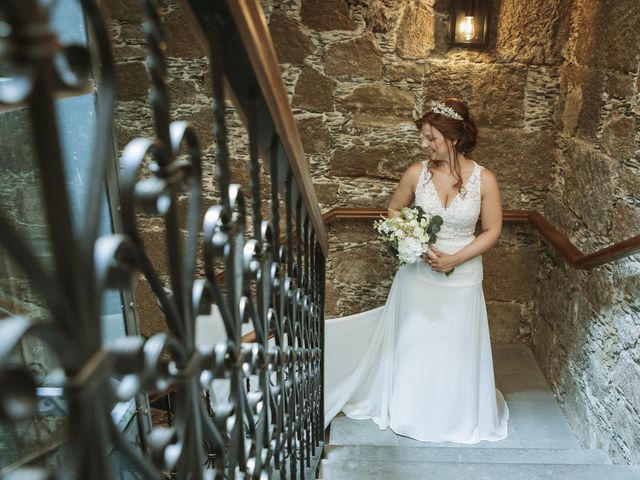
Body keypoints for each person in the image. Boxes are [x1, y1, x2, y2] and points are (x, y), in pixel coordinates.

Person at [323, 98, 509, 443]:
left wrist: (456, 259)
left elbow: (493, 230)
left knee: (453, 347)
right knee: (416, 344)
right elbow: (394, 209)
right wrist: (412, 239)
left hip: (464, 278)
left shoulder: (486, 180)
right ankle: (411, 409)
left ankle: (452, 414)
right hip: (419, 277)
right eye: (423, 138)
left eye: (430, 138)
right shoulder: (416, 174)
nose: (424, 145)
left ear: (452, 138)